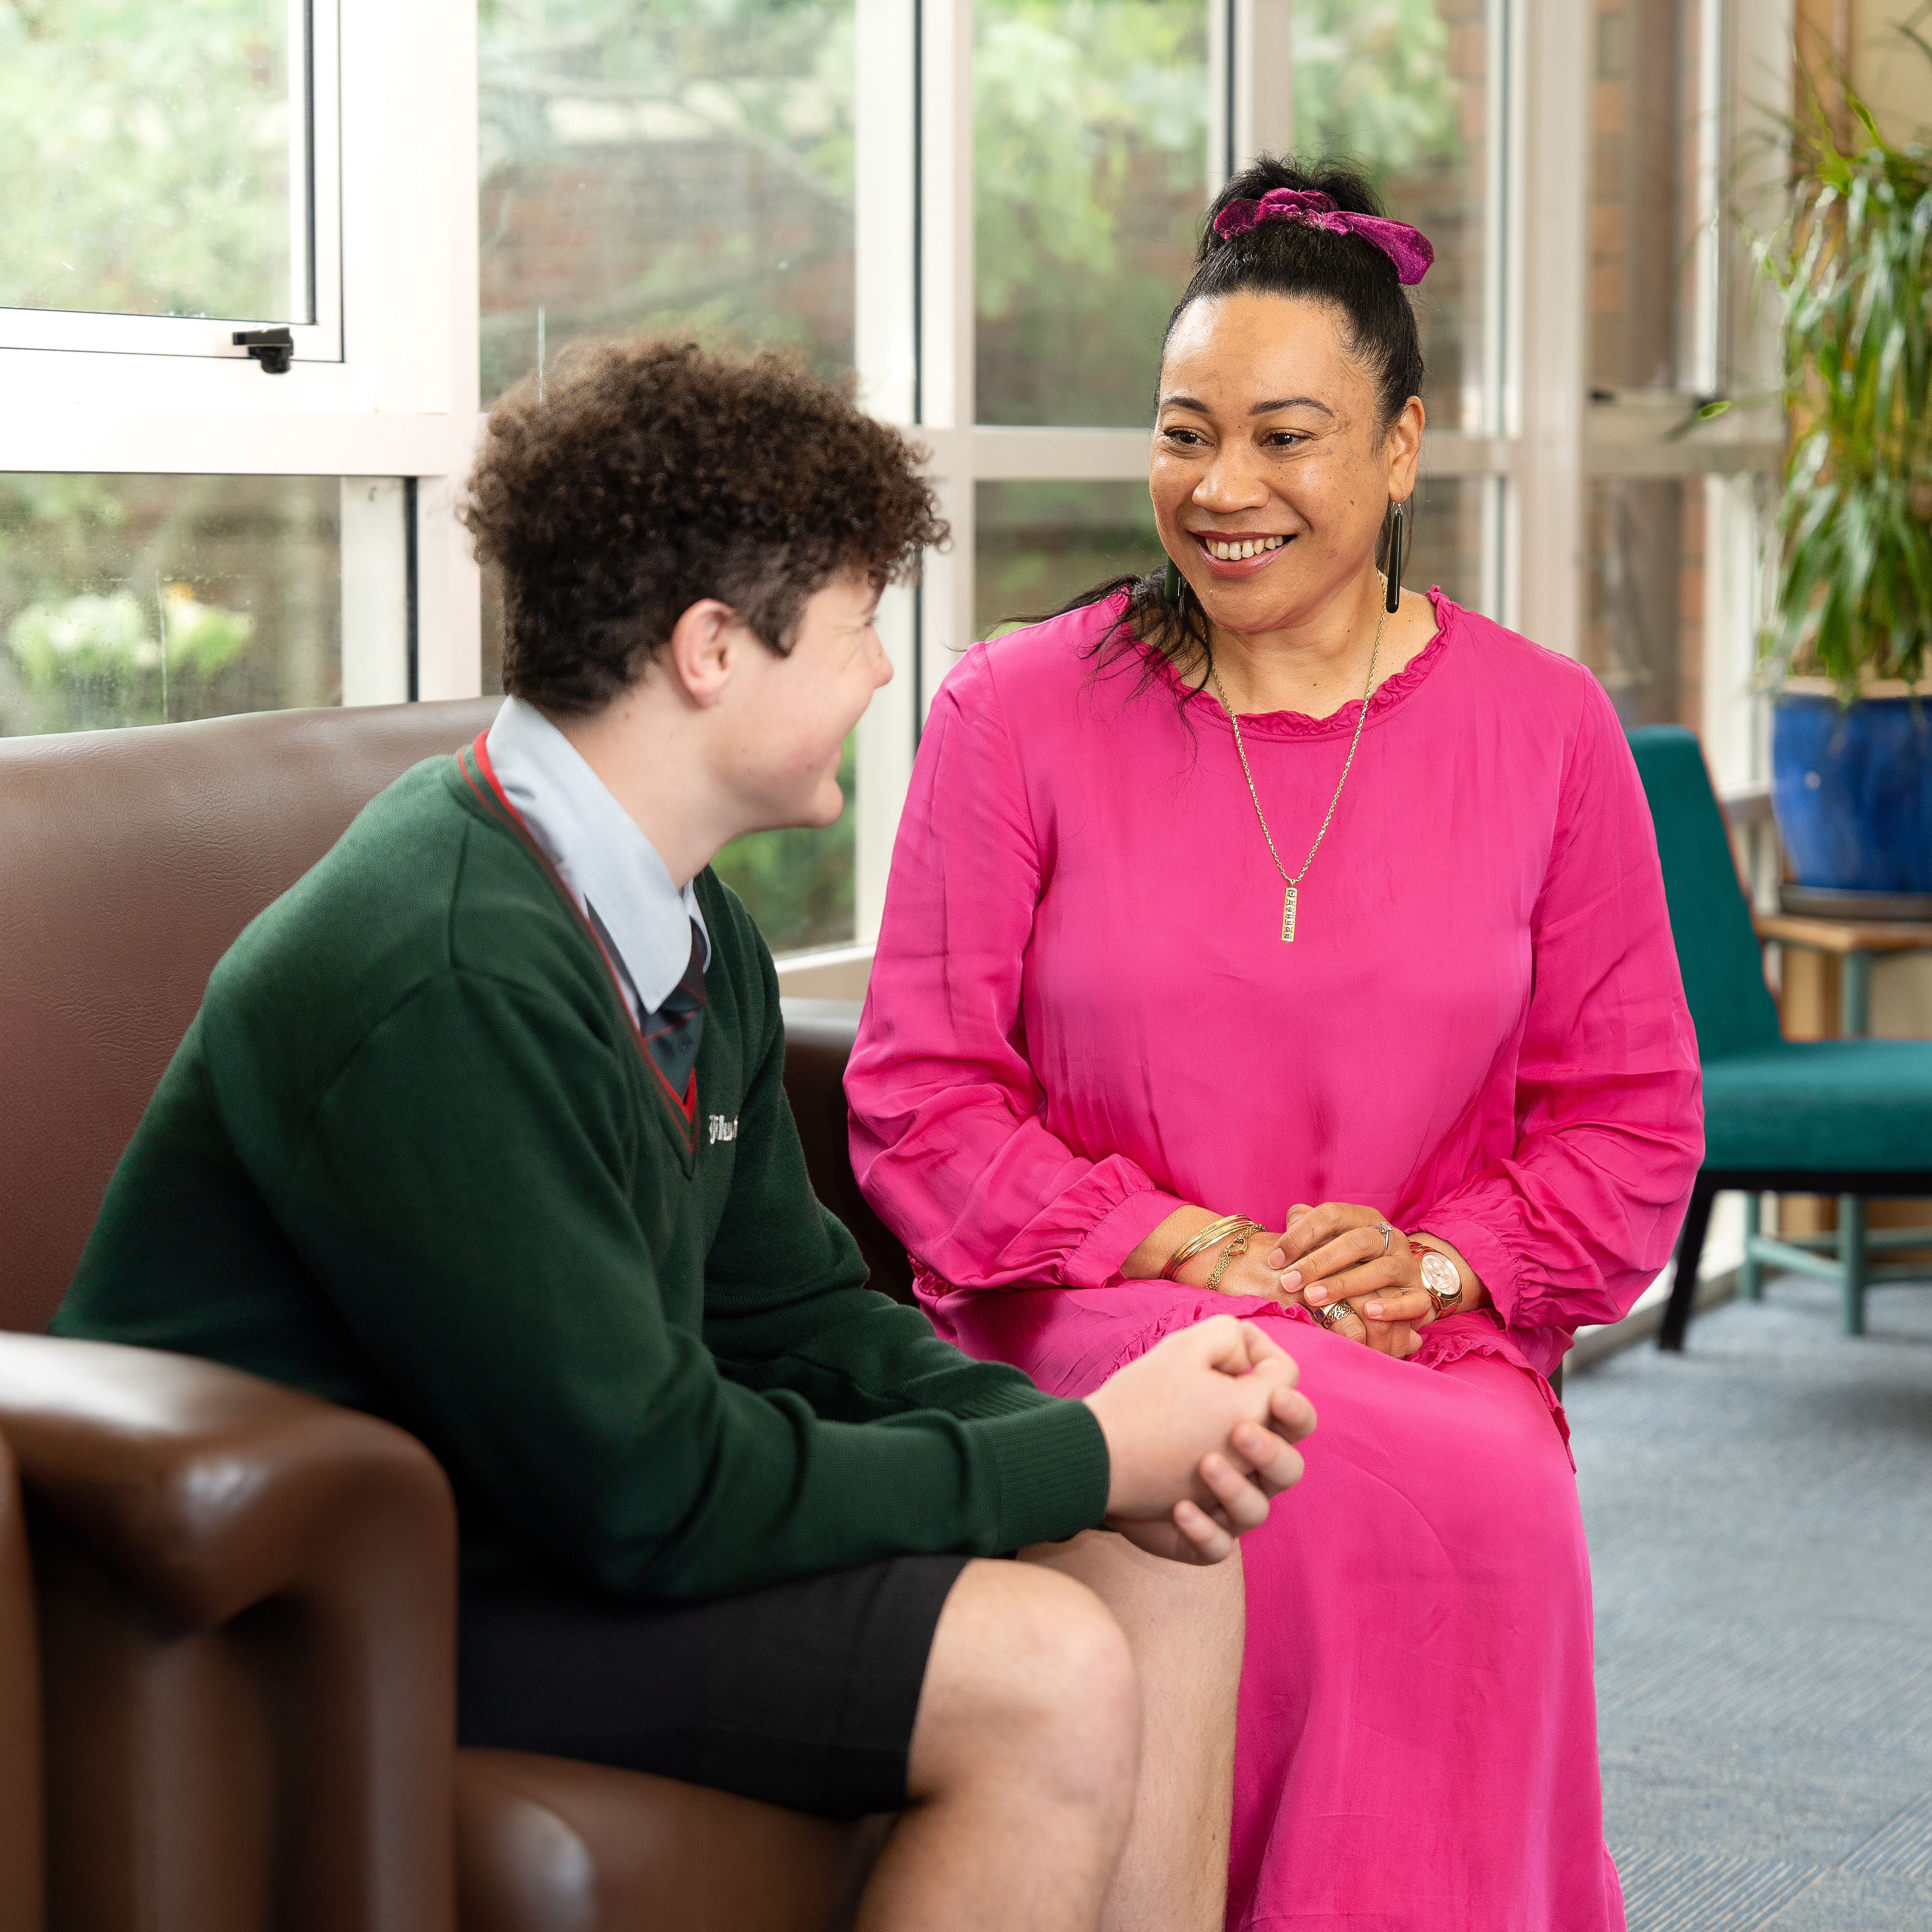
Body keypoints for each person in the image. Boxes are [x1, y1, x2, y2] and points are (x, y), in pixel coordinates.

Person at [52, 339, 1321, 1932]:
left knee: (1162, 1573)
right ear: (716, 649)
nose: (878, 673)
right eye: (861, 625)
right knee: (1046, 1670)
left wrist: (1106, 1447)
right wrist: (1075, 1452)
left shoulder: (675, 915)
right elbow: (648, 1490)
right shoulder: (445, 963)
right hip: (320, 1596)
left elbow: (789, 1313)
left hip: (535, 1518)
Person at [846, 158, 1705, 1932]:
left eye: (1287, 436)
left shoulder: (1549, 733)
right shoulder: (1012, 712)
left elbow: (1631, 1127)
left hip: (1416, 1331)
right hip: (1094, 1299)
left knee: (1480, 1489)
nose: (1222, 489)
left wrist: (1451, 1259)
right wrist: (1187, 1242)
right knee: (1261, 1450)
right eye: (1185, 433)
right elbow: (921, 1093)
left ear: (1401, 449)